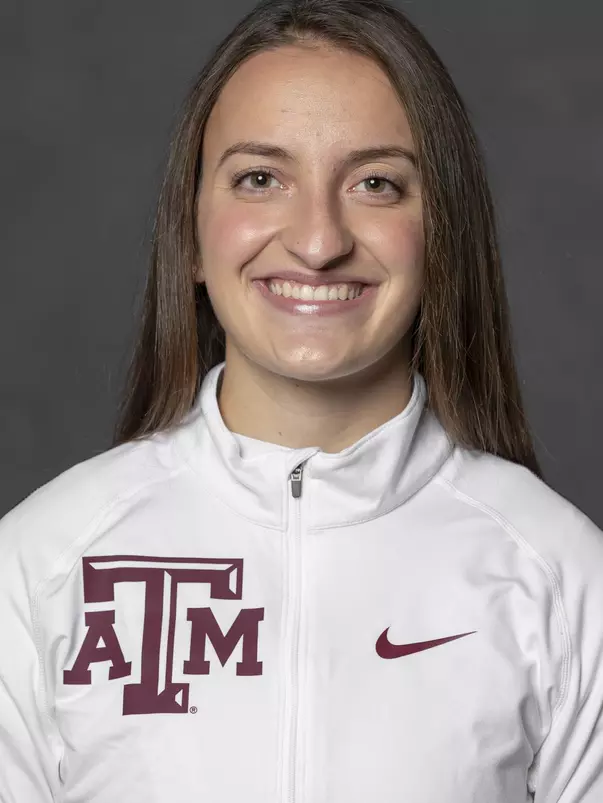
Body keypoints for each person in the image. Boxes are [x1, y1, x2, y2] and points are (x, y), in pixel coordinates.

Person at [1, 0, 601, 799]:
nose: (318, 242)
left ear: (442, 234)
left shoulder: (561, 574)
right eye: (260, 178)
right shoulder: (41, 562)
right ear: (190, 232)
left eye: (376, 184)